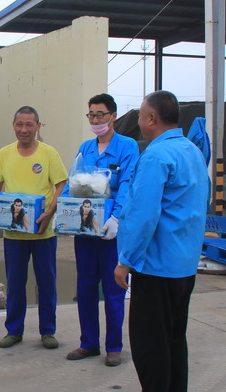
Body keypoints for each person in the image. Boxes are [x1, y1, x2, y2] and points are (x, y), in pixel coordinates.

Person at [112, 91, 209, 392]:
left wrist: (126, 260)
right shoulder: (192, 151)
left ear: (151, 118)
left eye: (140, 115)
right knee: (173, 336)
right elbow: (199, 204)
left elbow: (143, 214)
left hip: (156, 266)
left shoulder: (155, 156)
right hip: (184, 263)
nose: (138, 121)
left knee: (150, 341)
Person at [63, 93, 140, 367]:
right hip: (85, 230)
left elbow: (128, 183)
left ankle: (114, 347)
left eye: (100, 115)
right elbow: (72, 183)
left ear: (113, 116)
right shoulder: (85, 148)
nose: (95, 120)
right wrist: (63, 210)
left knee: (113, 289)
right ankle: (88, 343)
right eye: (91, 115)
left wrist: (116, 217)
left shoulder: (127, 147)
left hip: (111, 233)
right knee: (85, 287)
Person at [0, 106, 68, 350]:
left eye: (29, 124)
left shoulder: (49, 153)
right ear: (13, 125)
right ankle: (14, 330)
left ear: (38, 126)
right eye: (19, 124)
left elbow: (62, 184)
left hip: (43, 232)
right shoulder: (4, 153)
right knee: (15, 283)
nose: (24, 129)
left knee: (46, 283)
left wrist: (50, 213)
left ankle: (48, 331)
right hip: (13, 233)